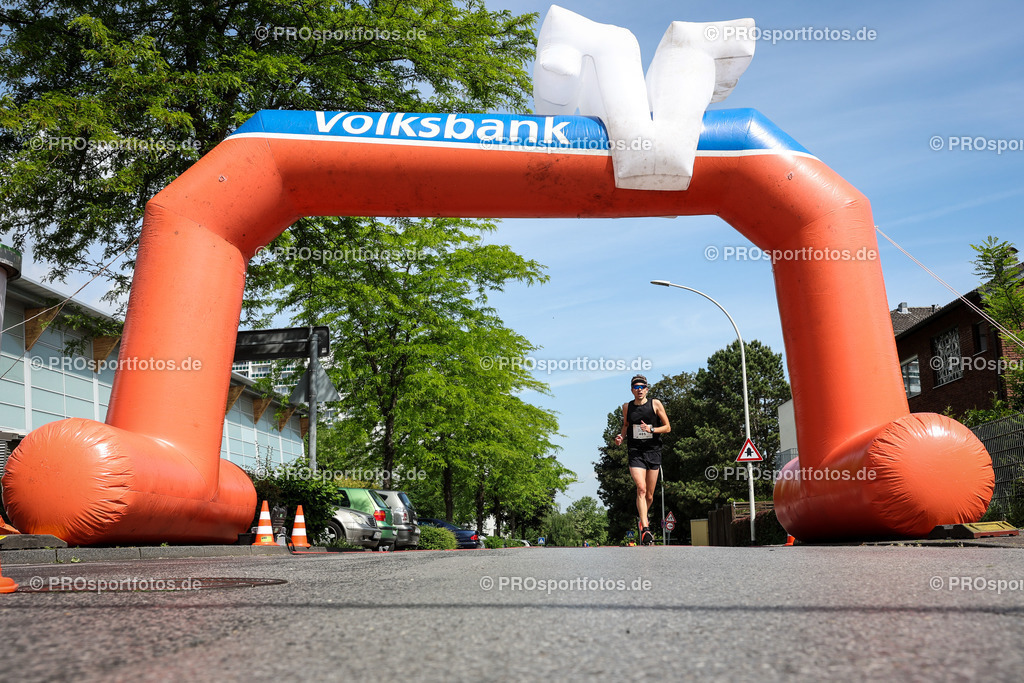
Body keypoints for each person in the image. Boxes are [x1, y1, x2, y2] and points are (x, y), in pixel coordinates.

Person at [614, 374, 670, 546]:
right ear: (632, 390)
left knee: (650, 496)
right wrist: (621, 437)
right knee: (641, 488)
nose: (639, 390)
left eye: (642, 387)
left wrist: (651, 429)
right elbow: (625, 425)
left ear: (647, 388)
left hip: (653, 451)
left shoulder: (655, 404)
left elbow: (667, 427)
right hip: (635, 451)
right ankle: (645, 528)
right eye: (636, 387)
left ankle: (642, 518)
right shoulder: (627, 407)